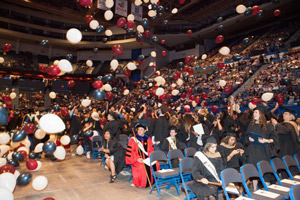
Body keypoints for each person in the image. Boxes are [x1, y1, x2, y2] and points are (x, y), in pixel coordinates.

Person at [125, 122, 159, 188]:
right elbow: (131, 152)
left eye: (141, 130)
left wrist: (149, 157)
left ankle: (153, 182)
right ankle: (141, 183)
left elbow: (151, 150)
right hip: (137, 160)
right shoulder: (133, 140)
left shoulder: (148, 139)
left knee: (156, 164)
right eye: (138, 130)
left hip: (147, 159)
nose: (139, 131)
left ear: (145, 131)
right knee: (142, 167)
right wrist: (137, 158)